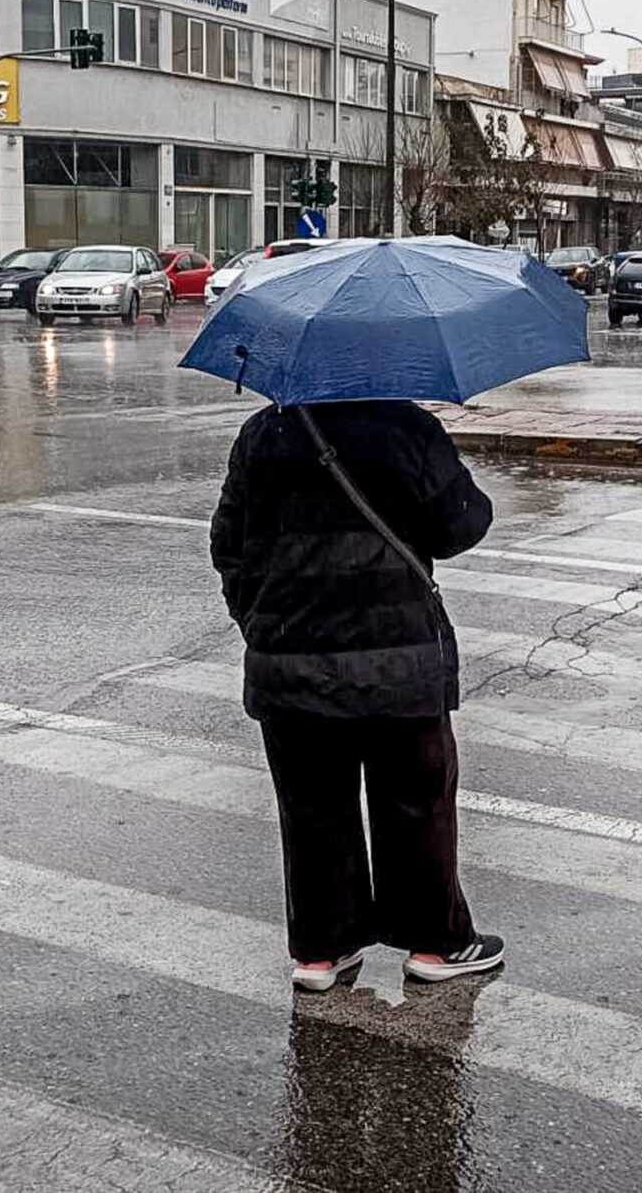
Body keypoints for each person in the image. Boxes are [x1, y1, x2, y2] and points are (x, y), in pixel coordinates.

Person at [210, 399, 501, 993]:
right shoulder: (408, 427)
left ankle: (321, 951)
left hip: (290, 660)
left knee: (312, 807)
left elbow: (229, 544)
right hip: (399, 660)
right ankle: (437, 944)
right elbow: (460, 527)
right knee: (416, 802)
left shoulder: (266, 432)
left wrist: (260, 621)